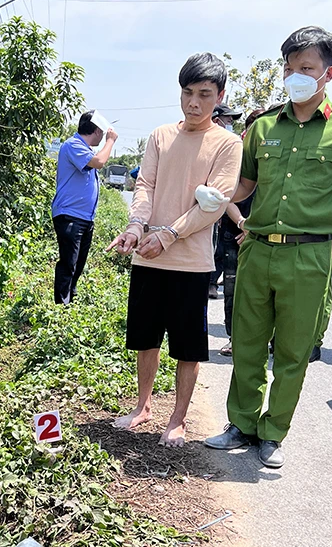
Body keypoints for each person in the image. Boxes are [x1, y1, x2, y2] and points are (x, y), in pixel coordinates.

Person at [199, 26, 332, 469]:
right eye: (290, 67)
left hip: (309, 254)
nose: (295, 75)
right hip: (257, 249)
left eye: (307, 68)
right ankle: (241, 423)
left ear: (328, 73)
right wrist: (220, 197)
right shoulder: (261, 126)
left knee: (293, 350)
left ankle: (274, 431)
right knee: (248, 343)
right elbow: (245, 184)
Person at [106, 52, 243, 447]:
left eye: (204, 94)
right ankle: (142, 406)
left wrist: (167, 235)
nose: (194, 103)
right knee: (145, 338)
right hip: (147, 256)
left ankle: (178, 419)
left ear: (219, 96)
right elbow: (145, 185)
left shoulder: (227, 144)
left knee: (187, 346)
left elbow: (213, 204)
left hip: (190, 263)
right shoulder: (161, 135)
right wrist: (135, 226)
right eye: (187, 93)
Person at [51, 111, 117, 305]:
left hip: (84, 218)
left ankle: (70, 301)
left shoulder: (84, 149)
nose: (103, 135)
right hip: (70, 215)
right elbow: (99, 162)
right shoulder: (73, 145)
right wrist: (111, 141)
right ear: (96, 130)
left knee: (78, 263)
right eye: (102, 132)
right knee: (68, 263)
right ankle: (61, 306)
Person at [217, 107, 265, 356]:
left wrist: (254, 229)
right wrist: (243, 224)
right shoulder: (234, 153)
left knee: (262, 292)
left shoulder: (275, 155)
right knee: (233, 289)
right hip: (234, 231)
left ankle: (263, 339)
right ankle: (234, 338)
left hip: (264, 235)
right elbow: (224, 194)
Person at [209, 104, 244, 299]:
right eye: (228, 120)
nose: (230, 124)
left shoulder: (230, 147)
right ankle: (209, 282)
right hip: (205, 212)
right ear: (216, 120)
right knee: (216, 250)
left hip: (222, 212)